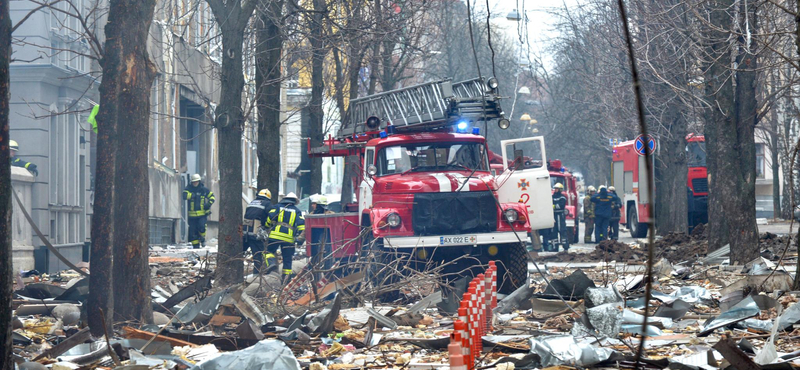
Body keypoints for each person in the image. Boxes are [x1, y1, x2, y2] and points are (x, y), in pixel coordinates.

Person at [266, 192, 305, 285]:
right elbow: (301, 226)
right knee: (287, 259)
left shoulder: (276, 207)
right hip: (288, 239)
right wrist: (300, 239)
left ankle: (271, 264)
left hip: (275, 236)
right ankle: (286, 281)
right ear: (295, 201)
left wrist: (267, 226)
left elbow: (269, 219)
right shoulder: (297, 210)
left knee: (269, 252)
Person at [243, 188, 272, 274]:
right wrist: (266, 225)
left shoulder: (251, 203)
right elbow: (272, 215)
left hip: (245, 232)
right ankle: (256, 275)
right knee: (258, 255)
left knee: (240, 253)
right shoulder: (267, 204)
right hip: (255, 233)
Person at [183, 174, 215, 249]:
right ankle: (196, 247)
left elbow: (212, 197)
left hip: (202, 214)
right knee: (193, 233)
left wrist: (208, 204)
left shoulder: (203, 190)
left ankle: (202, 238)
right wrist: (192, 195)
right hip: (192, 216)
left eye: (196, 182)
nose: (195, 183)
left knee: (202, 227)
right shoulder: (188, 189)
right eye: (194, 182)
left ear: (199, 181)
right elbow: (184, 195)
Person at [544, 183, 568, 251]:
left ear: (560, 189)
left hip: (560, 216)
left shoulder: (562, 197)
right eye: (555, 188)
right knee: (553, 232)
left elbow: (560, 206)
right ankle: (554, 247)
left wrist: (553, 206)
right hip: (553, 215)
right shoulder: (552, 196)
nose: (555, 190)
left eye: (557, 188)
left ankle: (565, 246)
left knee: (562, 231)